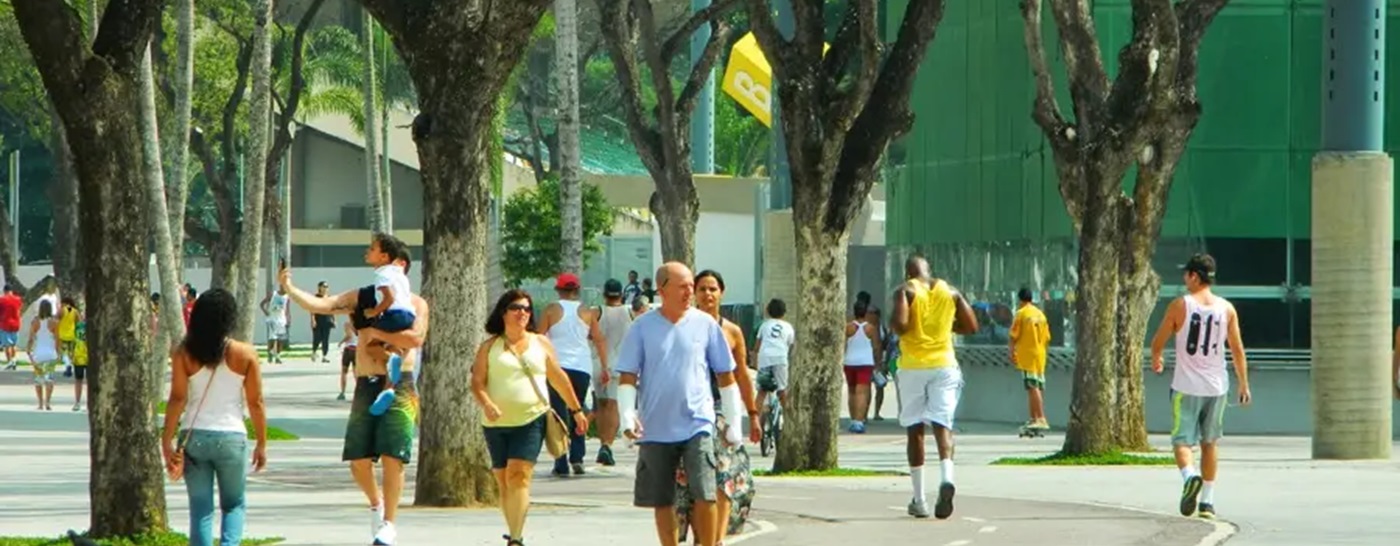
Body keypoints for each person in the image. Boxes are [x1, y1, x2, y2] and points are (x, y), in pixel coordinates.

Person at [279, 261, 427, 546]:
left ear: (401, 266)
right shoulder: (361, 299)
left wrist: (374, 334)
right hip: (366, 383)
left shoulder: (417, 304)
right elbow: (322, 305)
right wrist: (289, 288)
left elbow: (416, 338)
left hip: (400, 384)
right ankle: (377, 504)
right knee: (359, 461)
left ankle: (389, 524)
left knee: (393, 456)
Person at [615, 262, 748, 546]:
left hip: (698, 423)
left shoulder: (706, 324)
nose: (690, 292)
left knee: (706, 492)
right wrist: (627, 417)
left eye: (691, 285)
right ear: (662, 290)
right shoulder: (642, 327)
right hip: (655, 427)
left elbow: (726, 376)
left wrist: (735, 422)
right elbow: (627, 376)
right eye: (683, 286)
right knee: (662, 498)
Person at [472, 289, 589, 546]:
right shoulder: (489, 347)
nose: (522, 313)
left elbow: (558, 378)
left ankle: (515, 538)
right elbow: (477, 383)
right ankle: (513, 527)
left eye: (526, 309)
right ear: (503, 313)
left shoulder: (541, 343)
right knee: (503, 480)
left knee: (519, 475)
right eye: (516, 308)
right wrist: (487, 403)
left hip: (532, 418)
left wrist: (576, 409)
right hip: (495, 423)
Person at [160, 288, 269, 546]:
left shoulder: (184, 353)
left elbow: (177, 399)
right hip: (232, 436)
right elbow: (256, 402)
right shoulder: (246, 354)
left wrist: (167, 440)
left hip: (194, 436)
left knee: (200, 509)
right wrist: (262, 442)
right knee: (234, 505)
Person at [1149, 253, 1250, 520]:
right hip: (1217, 387)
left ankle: (1189, 476)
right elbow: (1237, 350)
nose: (1184, 279)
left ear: (1195, 276)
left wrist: (1157, 358)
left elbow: (1158, 340)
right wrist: (1243, 384)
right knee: (1210, 443)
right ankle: (1207, 503)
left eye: (1187, 274)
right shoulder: (1226, 309)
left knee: (1182, 442)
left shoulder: (1180, 305)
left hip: (1186, 385)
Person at [891, 253, 977, 520]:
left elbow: (901, 326)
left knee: (915, 430)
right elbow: (971, 326)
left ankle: (919, 500)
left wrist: (895, 320)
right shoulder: (950, 291)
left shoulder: (905, 290)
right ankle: (947, 478)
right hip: (945, 364)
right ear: (929, 271)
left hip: (913, 366)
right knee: (943, 425)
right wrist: (946, 326)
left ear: (909, 273)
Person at [677, 270, 760, 546]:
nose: (707, 294)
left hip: (722, 413)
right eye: (702, 289)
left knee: (726, 476)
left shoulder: (731, 331)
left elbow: (742, 377)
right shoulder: (681, 326)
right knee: (688, 482)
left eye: (713, 288)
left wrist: (753, 414)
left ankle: (716, 540)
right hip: (687, 414)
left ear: (721, 292)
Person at [540, 272, 609, 476]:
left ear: (558, 289)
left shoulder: (551, 310)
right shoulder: (587, 312)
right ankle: (577, 457)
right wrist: (605, 367)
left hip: (557, 366)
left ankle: (561, 460)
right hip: (581, 366)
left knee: (559, 414)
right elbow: (599, 339)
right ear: (577, 290)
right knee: (577, 408)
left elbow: (539, 336)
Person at [594, 278, 633, 467]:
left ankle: (603, 442)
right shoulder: (630, 313)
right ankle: (607, 445)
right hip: (620, 365)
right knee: (613, 404)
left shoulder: (597, 312)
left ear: (604, 294)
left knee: (601, 404)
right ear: (621, 294)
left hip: (598, 363)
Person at [1009, 287, 1051, 430]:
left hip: (1027, 355)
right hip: (1040, 354)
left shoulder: (1021, 314)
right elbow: (1047, 337)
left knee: (1033, 387)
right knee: (1036, 386)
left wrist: (1011, 352)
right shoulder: (1040, 314)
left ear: (1020, 299)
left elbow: (1013, 335)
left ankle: (1040, 417)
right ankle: (1033, 418)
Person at [363, 233, 416, 340]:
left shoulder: (382, 274)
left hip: (394, 315)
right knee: (390, 342)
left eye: (372, 249)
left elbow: (389, 298)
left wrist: (373, 312)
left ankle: (393, 356)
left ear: (384, 257)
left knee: (369, 339)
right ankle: (395, 352)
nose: (367, 251)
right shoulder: (397, 272)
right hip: (409, 315)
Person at [753, 298, 795, 427]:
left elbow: (757, 346)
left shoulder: (764, 325)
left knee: (762, 392)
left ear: (768, 311)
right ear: (784, 312)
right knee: (783, 391)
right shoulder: (788, 327)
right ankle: (790, 423)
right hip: (780, 358)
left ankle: (754, 421)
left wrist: (755, 360)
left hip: (765, 358)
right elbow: (791, 346)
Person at [843, 297, 881, 433]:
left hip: (849, 362)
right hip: (865, 362)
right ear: (865, 313)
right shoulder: (871, 328)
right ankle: (859, 421)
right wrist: (878, 364)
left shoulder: (847, 327)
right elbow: (876, 347)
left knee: (852, 391)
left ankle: (853, 419)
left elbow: (843, 345)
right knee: (862, 392)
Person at [26, 300, 60, 411]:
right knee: (49, 379)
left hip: (38, 354)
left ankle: (40, 403)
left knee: (38, 379)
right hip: (50, 354)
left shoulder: (35, 321)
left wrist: (28, 349)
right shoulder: (54, 322)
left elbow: (31, 338)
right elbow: (57, 339)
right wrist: (58, 353)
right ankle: (48, 402)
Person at [870, 306, 893, 421]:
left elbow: (887, 345)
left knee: (880, 387)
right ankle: (862, 413)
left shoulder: (882, 328)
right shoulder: (865, 327)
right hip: (868, 361)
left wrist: (885, 361)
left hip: (881, 361)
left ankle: (876, 412)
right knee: (865, 388)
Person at [260, 287, 290, 364]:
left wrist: (288, 319)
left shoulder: (287, 297)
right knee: (272, 338)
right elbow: (262, 304)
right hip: (272, 319)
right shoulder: (273, 294)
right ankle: (270, 353)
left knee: (280, 340)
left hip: (281, 320)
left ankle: (278, 357)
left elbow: (287, 309)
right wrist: (266, 312)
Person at [312, 282, 337, 363]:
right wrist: (313, 320)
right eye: (324, 286)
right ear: (319, 287)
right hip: (318, 319)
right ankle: (314, 352)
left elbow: (332, 309)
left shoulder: (329, 298)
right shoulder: (316, 297)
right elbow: (312, 309)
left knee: (326, 339)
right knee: (317, 337)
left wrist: (334, 319)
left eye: (326, 286)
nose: (325, 288)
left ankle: (324, 356)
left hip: (327, 320)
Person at [0, 284, 21, 370]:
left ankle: (9, 362)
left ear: (5, 291)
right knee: (14, 344)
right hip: (16, 323)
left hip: (5, 324)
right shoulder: (18, 299)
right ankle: (14, 359)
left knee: (7, 345)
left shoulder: (2, 300)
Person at [339, 320, 358, 401]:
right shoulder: (360, 324)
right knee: (356, 372)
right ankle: (359, 391)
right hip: (357, 349)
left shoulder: (348, 324)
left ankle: (343, 392)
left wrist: (341, 342)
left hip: (349, 349)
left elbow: (349, 336)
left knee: (344, 371)